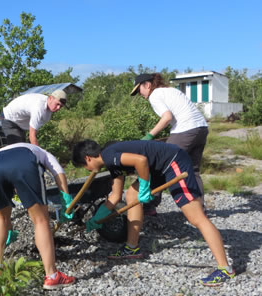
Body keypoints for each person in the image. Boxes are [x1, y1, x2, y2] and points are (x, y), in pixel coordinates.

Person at [72, 139, 235, 287]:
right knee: (131, 195)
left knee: (196, 217)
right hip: (157, 168)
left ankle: (225, 268)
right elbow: (115, 196)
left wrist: (144, 185)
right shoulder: (112, 163)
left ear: (88, 158)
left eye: (84, 167)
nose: (87, 170)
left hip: (173, 161)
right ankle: (132, 247)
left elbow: (140, 160)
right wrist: (97, 218)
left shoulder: (108, 155)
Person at [0, 142, 75, 290]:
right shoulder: (44, 153)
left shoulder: (4, 150)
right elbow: (58, 171)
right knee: (40, 220)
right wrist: (65, 196)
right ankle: (52, 276)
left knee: (1, 217)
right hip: (23, 163)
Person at [131, 73, 209, 215]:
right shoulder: (171, 90)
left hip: (185, 130)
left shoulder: (154, 95)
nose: (139, 94)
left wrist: (149, 135)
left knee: (160, 165)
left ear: (147, 85)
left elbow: (167, 117)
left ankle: (150, 205)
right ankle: (200, 209)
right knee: (193, 170)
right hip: (202, 128)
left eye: (139, 90)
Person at [1, 89, 67, 145]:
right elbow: (32, 136)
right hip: (9, 119)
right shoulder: (39, 107)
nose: (58, 108)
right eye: (57, 104)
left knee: (24, 148)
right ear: (50, 98)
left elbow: (34, 131)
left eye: (61, 106)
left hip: (19, 125)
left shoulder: (48, 112)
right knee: (17, 150)